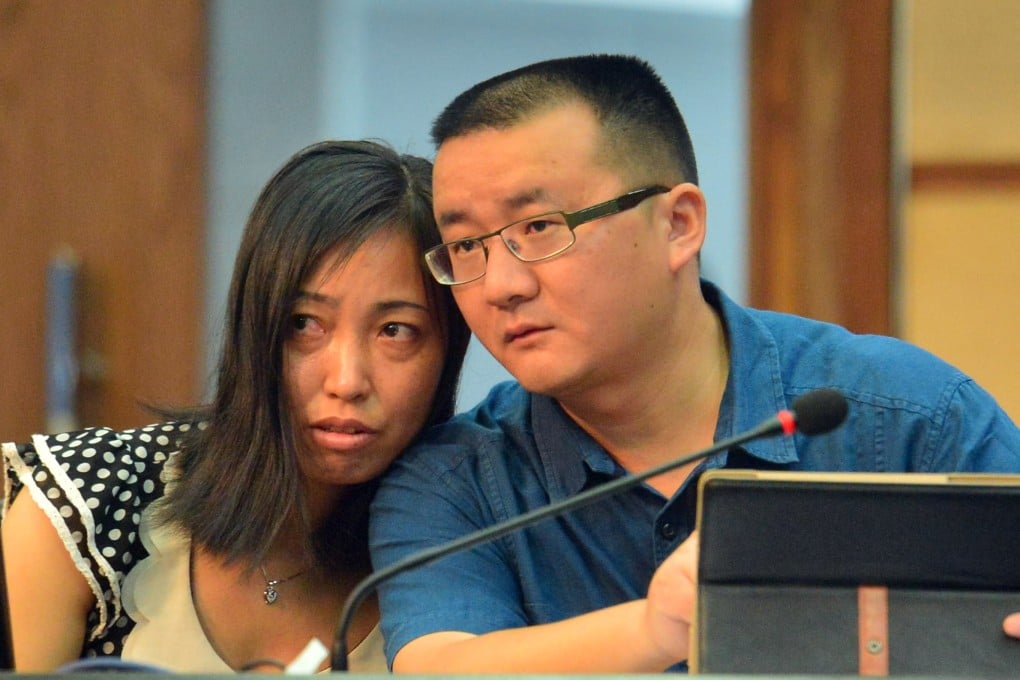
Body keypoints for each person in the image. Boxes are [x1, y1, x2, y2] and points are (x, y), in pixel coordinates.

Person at [368, 54, 1020, 673]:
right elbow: (441, 664)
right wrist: (655, 627)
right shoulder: (456, 482)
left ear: (679, 224)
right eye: (465, 247)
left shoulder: (904, 419)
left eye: (539, 227)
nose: (500, 284)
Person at [1, 139, 469, 672]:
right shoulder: (86, 503)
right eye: (304, 325)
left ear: (448, 350)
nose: (347, 380)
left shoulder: (463, 548)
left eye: (396, 331)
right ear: (254, 327)